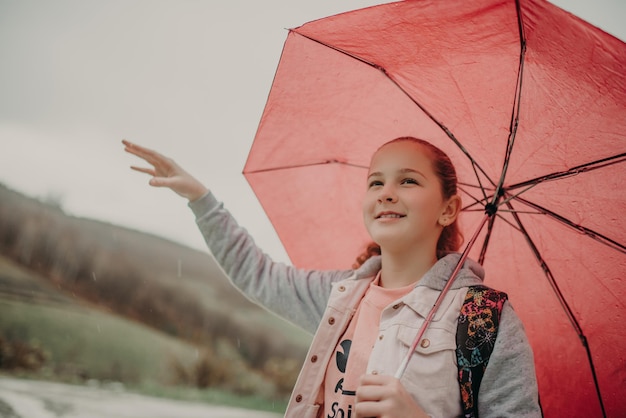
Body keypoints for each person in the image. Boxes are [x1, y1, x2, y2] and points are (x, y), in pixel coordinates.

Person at [123, 137, 541, 418]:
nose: (386, 192)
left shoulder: (486, 321)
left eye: (408, 181)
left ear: (448, 210)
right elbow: (257, 274)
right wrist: (202, 200)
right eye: (375, 182)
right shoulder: (341, 297)